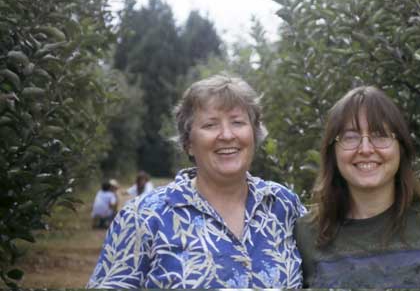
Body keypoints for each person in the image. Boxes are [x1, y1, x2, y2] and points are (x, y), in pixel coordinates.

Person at [88, 74, 306, 288]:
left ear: (254, 134)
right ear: (188, 143)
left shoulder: (284, 205)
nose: (227, 135)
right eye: (210, 125)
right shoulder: (143, 217)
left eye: (238, 122)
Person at [295, 86, 420, 288]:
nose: (365, 149)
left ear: (401, 147)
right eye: (350, 137)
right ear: (333, 152)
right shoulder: (305, 234)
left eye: (380, 135)